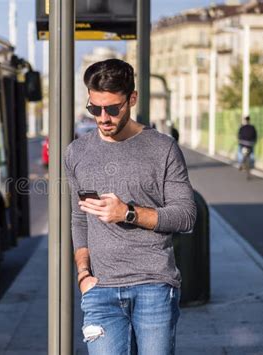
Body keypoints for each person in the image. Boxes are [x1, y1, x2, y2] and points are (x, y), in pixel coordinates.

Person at [63, 59, 197, 354]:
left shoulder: (162, 149)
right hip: (100, 291)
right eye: (94, 109)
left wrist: (128, 213)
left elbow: (186, 216)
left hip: (154, 286)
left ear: (132, 99)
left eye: (112, 108)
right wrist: (84, 274)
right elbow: (79, 219)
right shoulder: (77, 153)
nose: (103, 117)